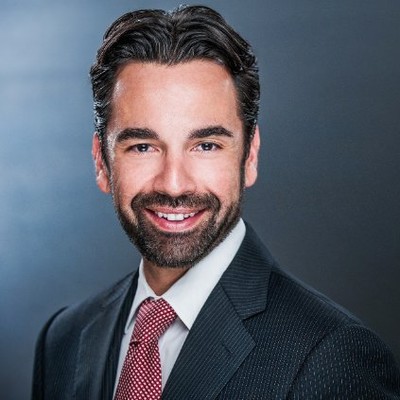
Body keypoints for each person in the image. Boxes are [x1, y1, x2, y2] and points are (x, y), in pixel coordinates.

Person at [32, 5, 400, 399]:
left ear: (250, 156)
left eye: (206, 145)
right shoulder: (64, 341)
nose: (174, 184)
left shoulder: (333, 357)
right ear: (101, 162)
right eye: (143, 146)